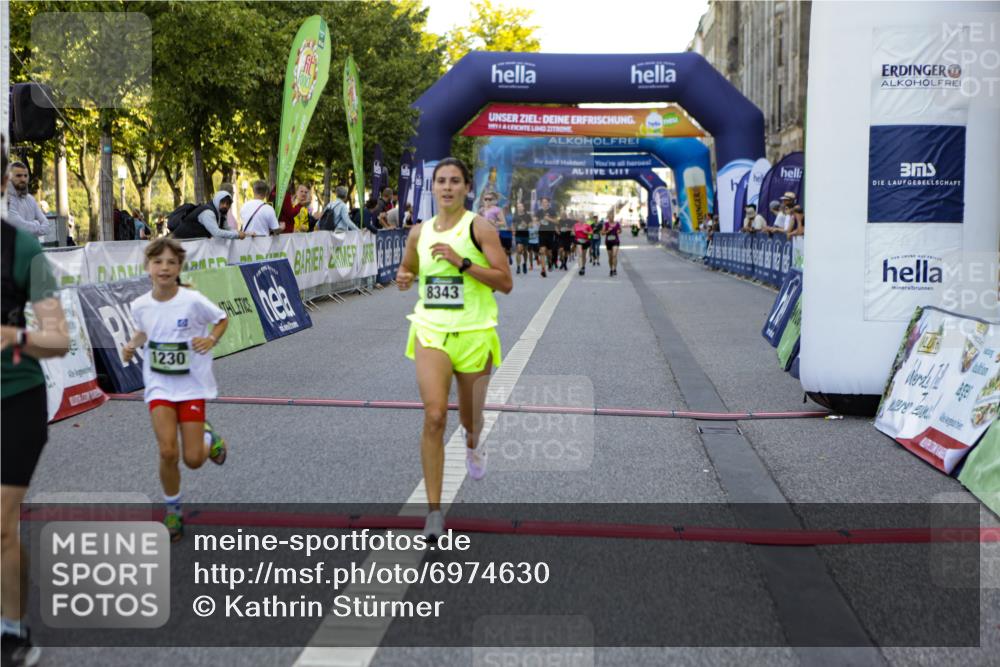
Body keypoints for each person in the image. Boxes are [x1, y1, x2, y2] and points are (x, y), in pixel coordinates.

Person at [395, 157, 512, 541]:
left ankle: (473, 442)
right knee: (434, 416)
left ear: (467, 188)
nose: (447, 187)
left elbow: (505, 282)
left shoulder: (480, 228)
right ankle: (433, 512)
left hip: (475, 334)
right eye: (441, 181)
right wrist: (404, 276)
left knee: (470, 421)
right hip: (431, 332)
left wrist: (461, 263)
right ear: (434, 188)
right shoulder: (419, 232)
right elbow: (409, 269)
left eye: (454, 181)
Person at [1, 139, 70, 667]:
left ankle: (12, 629)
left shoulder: (23, 249)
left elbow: (58, 338)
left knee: (1, 525)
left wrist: (14, 337)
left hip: (14, 400)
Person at [122, 238, 230, 542]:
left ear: (179, 267)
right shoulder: (140, 305)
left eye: (171, 262)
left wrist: (211, 339)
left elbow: (222, 319)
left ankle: (208, 438)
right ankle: (173, 510)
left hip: (191, 387)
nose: (164, 268)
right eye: (158, 262)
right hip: (159, 386)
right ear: (148, 267)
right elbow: (145, 331)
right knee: (167, 451)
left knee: (193, 460)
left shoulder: (192, 300)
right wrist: (131, 345)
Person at [171, 191, 245, 240]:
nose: (225, 206)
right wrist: (237, 235)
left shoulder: (221, 213)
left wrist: (243, 233)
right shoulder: (208, 213)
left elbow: (226, 229)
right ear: (217, 201)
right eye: (222, 202)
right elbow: (217, 233)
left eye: (228, 203)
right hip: (180, 243)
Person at [4, 162, 50, 239]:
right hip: (11, 246)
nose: (23, 179)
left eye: (25, 176)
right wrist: (37, 224)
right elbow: (18, 226)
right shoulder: (5, 199)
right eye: (18, 176)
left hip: (32, 245)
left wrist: (31, 227)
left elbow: (47, 226)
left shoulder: (30, 199)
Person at [479, 192, 510, 266]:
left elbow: (504, 223)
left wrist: (494, 222)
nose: (487, 201)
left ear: (493, 200)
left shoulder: (497, 210)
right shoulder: (481, 210)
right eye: (486, 199)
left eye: (490, 199)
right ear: (483, 200)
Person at [513, 202, 530, 275]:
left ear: (523, 207)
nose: (519, 208)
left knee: (525, 251)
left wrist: (526, 225)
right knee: (519, 250)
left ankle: (525, 264)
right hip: (518, 235)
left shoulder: (527, 216)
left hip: (525, 235)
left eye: (520, 206)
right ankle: (518, 266)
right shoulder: (515, 216)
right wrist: (513, 230)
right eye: (518, 207)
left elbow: (531, 224)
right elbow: (513, 225)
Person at [604, 211, 622, 277]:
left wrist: (619, 231)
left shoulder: (617, 224)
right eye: (609, 217)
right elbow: (602, 233)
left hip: (615, 241)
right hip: (608, 242)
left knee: (614, 255)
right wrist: (607, 231)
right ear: (608, 217)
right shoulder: (606, 224)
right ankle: (611, 269)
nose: (611, 218)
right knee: (610, 257)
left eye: (612, 217)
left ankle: (614, 269)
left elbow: (620, 230)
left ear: (613, 217)